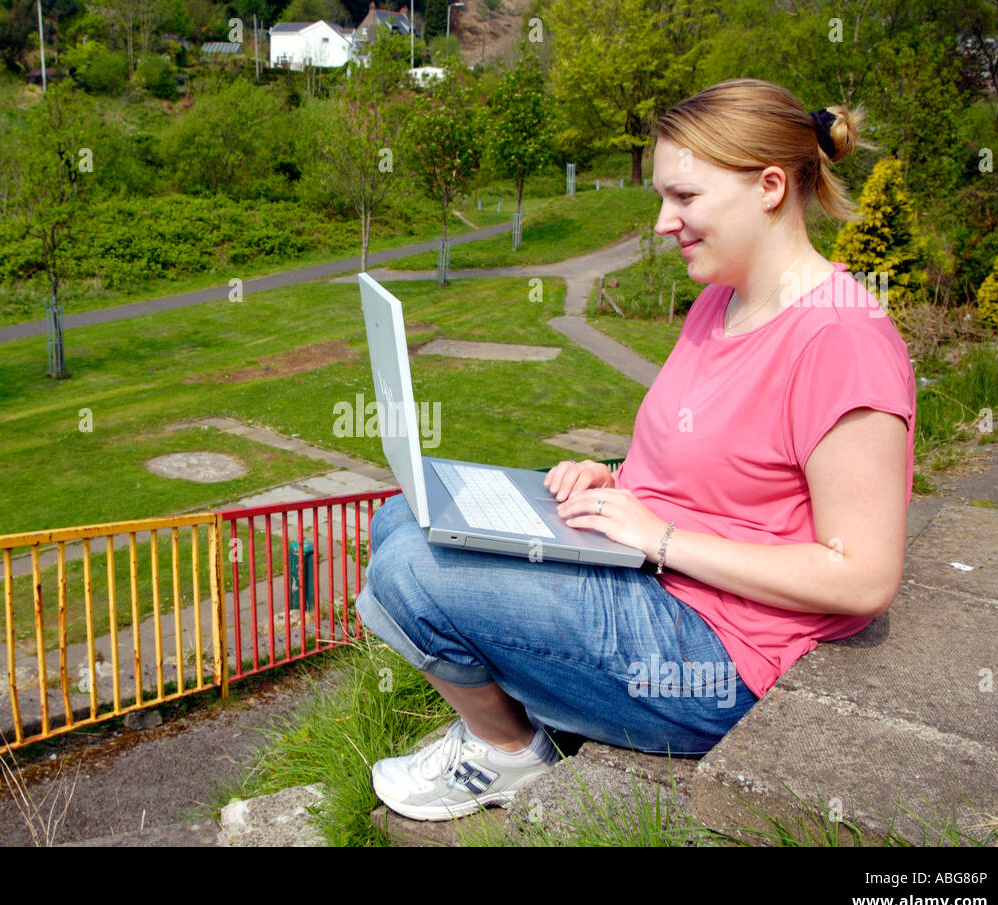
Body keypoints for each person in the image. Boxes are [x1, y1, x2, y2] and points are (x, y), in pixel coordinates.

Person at [355, 78, 917, 822]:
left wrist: (662, 537)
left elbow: (863, 577)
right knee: (402, 515)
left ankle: (506, 751)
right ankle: (525, 712)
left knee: (409, 570)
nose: (662, 222)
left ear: (771, 187)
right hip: (653, 574)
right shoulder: (723, 299)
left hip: (720, 656)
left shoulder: (842, 341)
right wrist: (618, 478)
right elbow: (726, 465)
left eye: (684, 197)